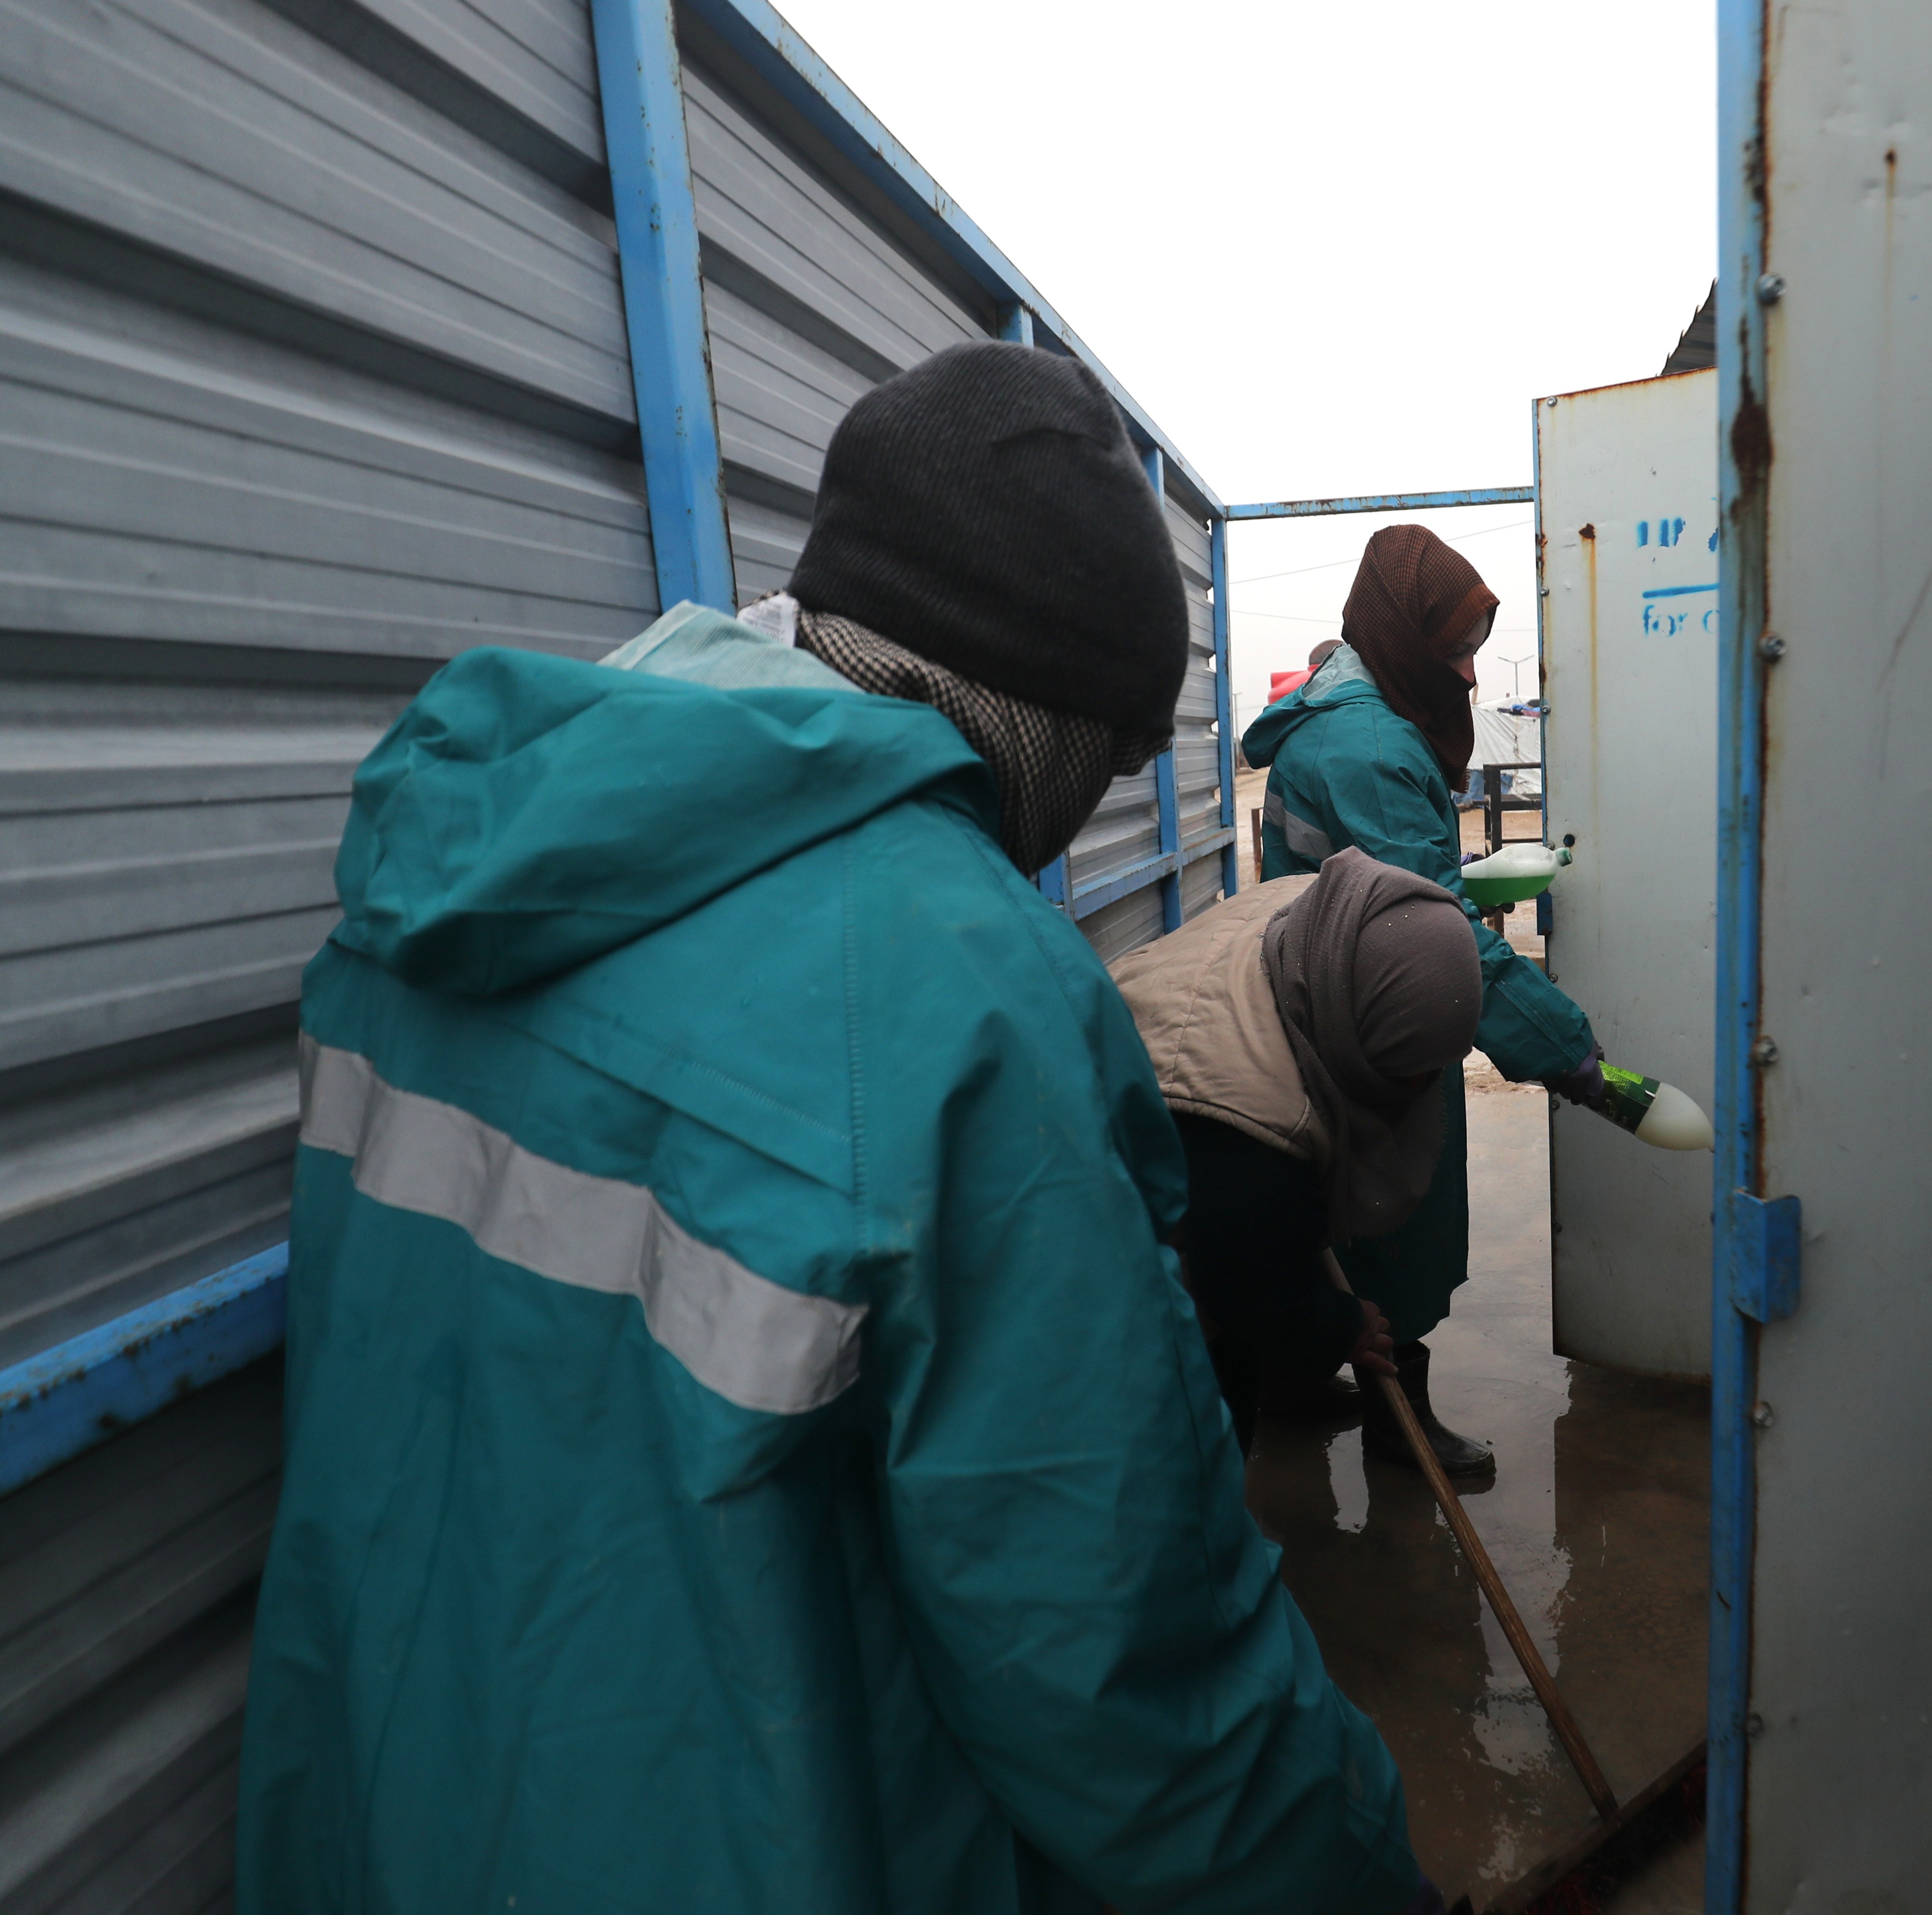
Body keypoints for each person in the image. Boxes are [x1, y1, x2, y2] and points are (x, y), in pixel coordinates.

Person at [238, 344, 1427, 1915]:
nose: (1089, 812)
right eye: (1117, 755)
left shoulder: (441, 873)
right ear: (1037, 719)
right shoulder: (969, 1005)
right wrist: (1348, 1866)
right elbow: (1121, 1665)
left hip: (381, 1811)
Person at [1240, 527, 1605, 1478]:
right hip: (1372, 1029)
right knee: (1392, 1217)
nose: (1469, 677)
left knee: (1322, 1215)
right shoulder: (1369, 748)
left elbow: (1368, 873)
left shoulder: (1338, 716)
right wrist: (1561, 1047)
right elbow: (1428, 936)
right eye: (1453, 650)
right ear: (1400, 639)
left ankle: (1291, 1384)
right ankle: (1402, 1430)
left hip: (1312, 1004)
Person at [1110, 849, 1484, 1457]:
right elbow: (1246, 1282)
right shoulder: (1257, 1123)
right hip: (1116, 1183)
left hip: (1180, 1077)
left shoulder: (1330, 920)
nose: (1418, 1091)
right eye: (1406, 1071)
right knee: (1202, 1400)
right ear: (1355, 1021)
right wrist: (1340, 1325)